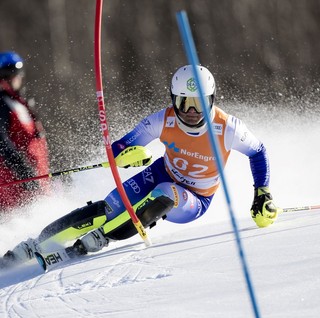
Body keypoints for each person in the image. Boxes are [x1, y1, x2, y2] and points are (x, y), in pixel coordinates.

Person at [1, 65, 281, 267]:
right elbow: (118, 148)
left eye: (199, 104)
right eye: (185, 103)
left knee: (165, 193)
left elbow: (258, 152)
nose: (192, 113)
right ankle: (37, 243)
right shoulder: (164, 119)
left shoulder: (228, 127)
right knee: (109, 206)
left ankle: (102, 238)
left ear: (212, 100)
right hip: (160, 171)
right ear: (174, 100)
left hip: (195, 198)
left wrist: (262, 193)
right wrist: (129, 155)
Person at [0, 51, 50, 211]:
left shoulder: (20, 103)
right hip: (16, 191)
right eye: (15, 73)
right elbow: (2, 143)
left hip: (36, 184)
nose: (19, 78)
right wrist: (24, 173)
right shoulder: (2, 104)